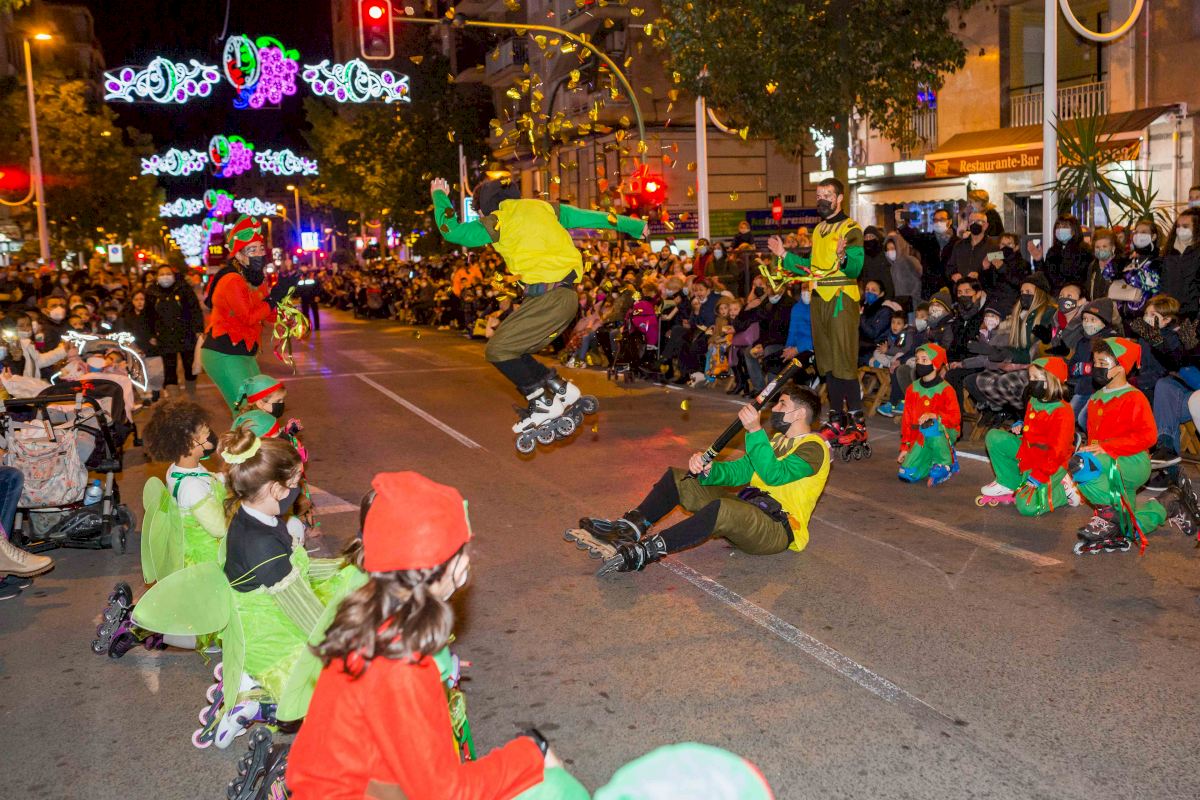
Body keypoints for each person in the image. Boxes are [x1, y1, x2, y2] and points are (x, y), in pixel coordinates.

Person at [286, 472, 570, 800]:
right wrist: (531, 754)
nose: (467, 561)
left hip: (362, 785)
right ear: (446, 569)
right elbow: (445, 792)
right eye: (462, 550)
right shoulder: (401, 662)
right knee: (557, 788)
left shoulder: (371, 620)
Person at [429, 177, 646, 445]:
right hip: (562, 297)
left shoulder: (498, 220)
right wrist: (635, 225)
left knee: (498, 350)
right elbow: (593, 217)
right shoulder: (544, 208)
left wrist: (439, 196)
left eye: (481, 212)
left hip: (549, 299)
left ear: (486, 206)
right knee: (512, 347)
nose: (482, 217)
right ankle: (559, 388)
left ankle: (541, 399)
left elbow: (452, 231)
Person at [570, 386, 830, 576]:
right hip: (750, 513)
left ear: (799, 413)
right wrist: (708, 471)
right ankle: (629, 527)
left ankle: (646, 552)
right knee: (679, 478)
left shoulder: (814, 447)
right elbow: (739, 472)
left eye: (782, 404)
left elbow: (775, 474)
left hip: (777, 529)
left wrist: (754, 430)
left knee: (725, 508)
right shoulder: (774, 442)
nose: (774, 409)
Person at [768, 178, 868, 451]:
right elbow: (811, 268)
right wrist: (784, 254)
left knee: (844, 360)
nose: (822, 199)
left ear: (839, 198)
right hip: (819, 299)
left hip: (841, 299)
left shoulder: (851, 228)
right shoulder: (820, 229)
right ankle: (836, 419)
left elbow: (855, 269)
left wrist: (843, 256)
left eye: (827, 194)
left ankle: (857, 423)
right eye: (819, 194)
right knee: (827, 362)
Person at [1070, 337, 1166, 554]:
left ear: (1121, 367)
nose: (1097, 368)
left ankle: (1108, 516)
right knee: (1127, 527)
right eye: (1095, 362)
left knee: (1083, 464)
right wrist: (1094, 448)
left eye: (1103, 363)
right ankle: (1165, 506)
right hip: (1108, 461)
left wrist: (1107, 448)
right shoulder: (1096, 398)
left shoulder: (1134, 397)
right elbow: (1095, 439)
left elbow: (1149, 436)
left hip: (1132, 462)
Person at [200, 216, 298, 410]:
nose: (259, 253)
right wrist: (273, 298)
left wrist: (286, 316)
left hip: (245, 352)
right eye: (252, 250)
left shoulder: (255, 279)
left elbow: (265, 313)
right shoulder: (232, 280)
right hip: (224, 353)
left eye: (261, 248)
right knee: (247, 411)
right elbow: (249, 317)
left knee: (260, 406)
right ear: (238, 255)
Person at [978, 357, 1081, 514]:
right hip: (1030, 453)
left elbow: (1057, 452)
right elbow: (1033, 426)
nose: (1031, 382)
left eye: (1035, 378)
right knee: (994, 436)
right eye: (1030, 377)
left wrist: (1039, 475)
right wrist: (1022, 425)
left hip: (1051, 463)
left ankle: (1063, 490)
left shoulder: (1063, 411)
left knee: (1027, 506)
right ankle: (1007, 482)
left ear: (1051, 381)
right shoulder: (1034, 400)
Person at [142, 400, 226, 567]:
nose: (212, 435)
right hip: (210, 558)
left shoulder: (178, 470)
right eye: (206, 432)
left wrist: (229, 476)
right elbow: (220, 528)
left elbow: (207, 479)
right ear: (191, 442)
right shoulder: (192, 487)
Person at [897, 344, 961, 486]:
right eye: (917, 359)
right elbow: (907, 421)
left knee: (930, 425)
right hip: (920, 436)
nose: (919, 363)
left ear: (935, 364)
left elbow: (955, 419)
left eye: (924, 360)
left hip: (943, 430)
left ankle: (945, 463)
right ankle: (931, 460)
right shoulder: (912, 389)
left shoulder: (947, 390)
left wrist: (935, 416)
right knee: (906, 473)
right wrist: (905, 447)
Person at [150, 265, 203, 397]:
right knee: (169, 368)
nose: (165, 276)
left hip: (186, 333)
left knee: (189, 365)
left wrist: (198, 329)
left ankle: (191, 392)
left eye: (168, 273)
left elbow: (195, 310)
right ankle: (174, 398)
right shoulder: (152, 292)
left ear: (174, 275)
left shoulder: (184, 289)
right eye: (161, 274)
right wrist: (151, 334)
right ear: (157, 277)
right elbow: (148, 315)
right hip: (164, 336)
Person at [1104, 218, 1161, 320]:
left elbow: (1149, 282)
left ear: (1153, 237)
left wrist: (1126, 274)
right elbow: (1107, 273)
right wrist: (1120, 260)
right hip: (1124, 316)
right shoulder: (1129, 258)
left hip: (1148, 316)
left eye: (1143, 232)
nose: (1138, 235)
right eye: (1136, 232)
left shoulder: (1158, 260)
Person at [1030, 214, 1091, 293]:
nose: (1060, 230)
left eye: (1065, 226)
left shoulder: (1084, 251)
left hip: (1074, 294)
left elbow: (1081, 277)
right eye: (1058, 226)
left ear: (1074, 230)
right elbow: (1045, 278)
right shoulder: (1053, 251)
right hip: (1054, 295)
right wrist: (1038, 261)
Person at [1159, 209, 1200, 319]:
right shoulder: (1169, 252)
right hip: (1170, 312)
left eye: (1185, 226)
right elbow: (1163, 282)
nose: (1180, 229)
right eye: (1178, 226)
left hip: (1194, 313)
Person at [946, 210, 996, 287]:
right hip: (961, 289)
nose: (974, 224)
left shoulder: (995, 246)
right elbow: (950, 267)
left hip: (983, 289)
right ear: (968, 225)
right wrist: (953, 275)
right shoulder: (959, 245)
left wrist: (980, 275)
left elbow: (998, 271)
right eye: (972, 221)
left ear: (986, 225)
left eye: (979, 221)